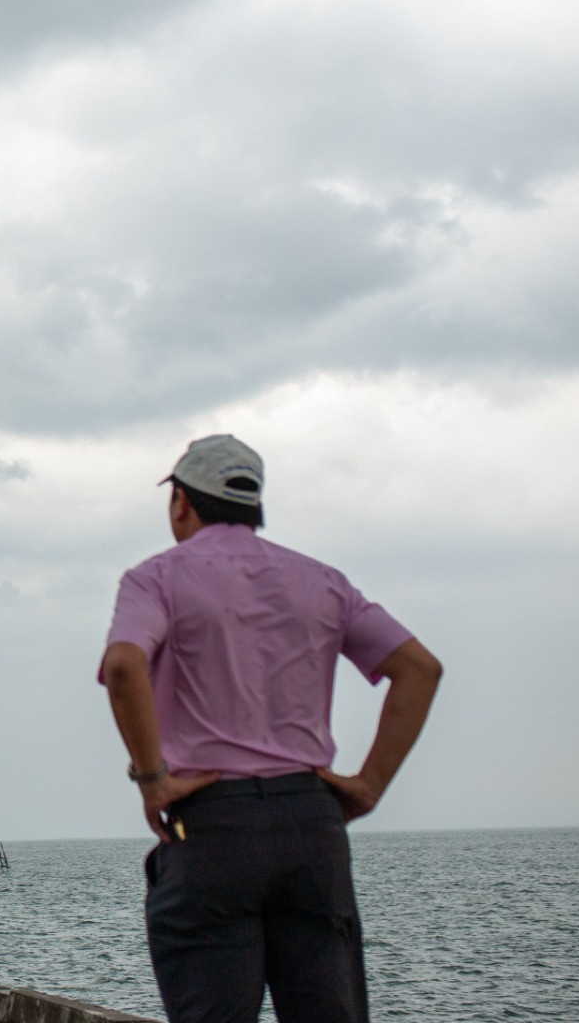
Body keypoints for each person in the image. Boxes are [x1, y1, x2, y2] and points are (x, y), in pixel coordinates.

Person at [99, 434, 443, 1023]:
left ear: (180, 502)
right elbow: (419, 669)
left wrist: (152, 778)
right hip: (311, 825)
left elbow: (126, 663)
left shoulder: (155, 579)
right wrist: (366, 786)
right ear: (254, 504)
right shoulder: (323, 581)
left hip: (212, 825)